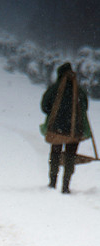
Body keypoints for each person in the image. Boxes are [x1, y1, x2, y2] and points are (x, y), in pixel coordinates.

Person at [40, 62, 90, 193]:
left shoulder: (55, 88)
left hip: (56, 128)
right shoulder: (78, 90)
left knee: (55, 154)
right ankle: (66, 186)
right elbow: (85, 107)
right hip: (75, 129)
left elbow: (45, 106)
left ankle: (52, 182)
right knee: (70, 156)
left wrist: (55, 113)